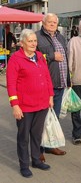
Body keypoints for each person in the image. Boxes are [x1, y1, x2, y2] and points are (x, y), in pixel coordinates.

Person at [6, 29, 53, 178]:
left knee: (36, 135)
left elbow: (47, 77)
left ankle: (36, 160)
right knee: (23, 137)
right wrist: (15, 105)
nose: (33, 43)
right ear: (22, 43)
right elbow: (11, 84)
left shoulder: (39, 56)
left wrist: (50, 95)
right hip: (24, 106)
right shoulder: (15, 59)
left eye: (35, 41)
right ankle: (24, 165)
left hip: (42, 104)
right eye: (30, 41)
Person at [36, 13, 70, 157]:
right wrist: (51, 56)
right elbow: (33, 58)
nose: (52, 24)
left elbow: (65, 59)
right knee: (42, 119)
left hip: (60, 84)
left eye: (55, 22)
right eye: (49, 22)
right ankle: (39, 150)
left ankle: (51, 145)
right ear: (43, 23)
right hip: (45, 85)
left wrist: (68, 80)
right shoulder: (37, 37)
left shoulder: (61, 37)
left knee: (54, 118)